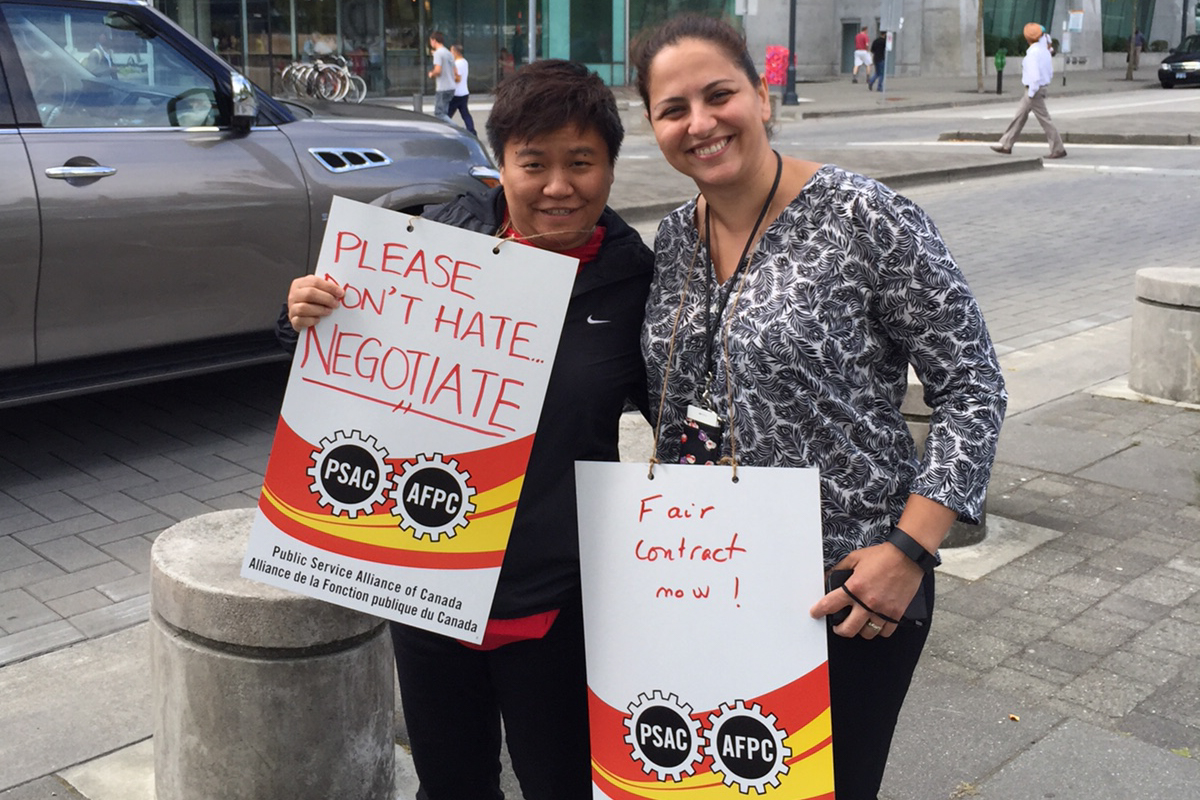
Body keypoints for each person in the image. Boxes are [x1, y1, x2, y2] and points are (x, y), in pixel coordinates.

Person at [631, 14, 1006, 800]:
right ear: (653, 126)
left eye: (719, 95)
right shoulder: (671, 240)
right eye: (673, 109)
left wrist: (909, 552)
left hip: (849, 588)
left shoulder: (864, 216)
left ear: (762, 97)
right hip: (708, 577)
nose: (699, 123)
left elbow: (972, 385)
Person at [279, 59, 653, 800]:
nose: (558, 186)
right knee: (450, 781)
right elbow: (342, 375)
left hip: (554, 597)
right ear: (500, 166)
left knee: (560, 782)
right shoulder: (435, 241)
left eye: (581, 162)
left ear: (611, 166)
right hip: (426, 577)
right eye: (533, 163)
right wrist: (304, 315)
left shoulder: (636, 278)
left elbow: (682, 421)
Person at [991, 23, 1066, 159]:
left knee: (1044, 120)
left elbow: (1034, 76)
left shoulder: (1032, 53)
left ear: (1027, 38)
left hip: (1033, 90)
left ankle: (1058, 148)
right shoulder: (1045, 50)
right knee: (1019, 117)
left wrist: (1031, 92)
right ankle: (1006, 144)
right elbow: (1048, 66)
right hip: (1039, 88)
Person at [426, 31, 456, 124]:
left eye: (431, 41)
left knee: (439, 114)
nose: (430, 44)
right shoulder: (448, 53)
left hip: (442, 87)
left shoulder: (438, 53)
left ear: (434, 40)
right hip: (451, 86)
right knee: (444, 113)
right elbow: (455, 70)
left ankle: (457, 129)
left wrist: (431, 74)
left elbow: (438, 70)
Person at [448, 43, 477, 135]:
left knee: (446, 115)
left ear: (455, 52)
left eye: (451, 51)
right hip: (464, 92)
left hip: (456, 94)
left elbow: (458, 79)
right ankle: (472, 131)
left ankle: (449, 130)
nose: (450, 53)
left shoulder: (457, 64)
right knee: (465, 114)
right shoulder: (465, 62)